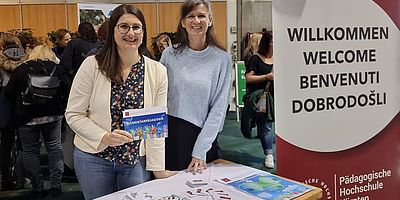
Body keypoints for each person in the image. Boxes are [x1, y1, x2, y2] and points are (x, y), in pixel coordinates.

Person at [65, 4, 176, 199]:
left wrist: (158, 168)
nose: (130, 33)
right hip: (93, 158)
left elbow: (155, 126)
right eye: (123, 26)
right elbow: (73, 114)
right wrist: (104, 137)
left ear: (143, 31)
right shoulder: (92, 65)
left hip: (135, 160)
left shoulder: (157, 71)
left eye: (136, 27)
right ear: (113, 31)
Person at [160, 0, 232, 173]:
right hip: (169, 133)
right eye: (190, 16)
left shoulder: (222, 59)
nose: (196, 21)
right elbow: (156, 95)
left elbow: (219, 109)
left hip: (201, 136)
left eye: (201, 16)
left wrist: (200, 150)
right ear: (183, 22)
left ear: (210, 20)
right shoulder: (169, 54)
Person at [5, 44, 69, 199]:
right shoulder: (57, 68)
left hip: (27, 117)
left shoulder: (22, 69)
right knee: (54, 148)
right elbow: (68, 88)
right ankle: (56, 185)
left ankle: (37, 187)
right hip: (54, 115)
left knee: (30, 151)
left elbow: (8, 92)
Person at [0, 33, 28, 191]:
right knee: (24, 146)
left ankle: (5, 179)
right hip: (23, 106)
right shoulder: (26, 59)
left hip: (4, 108)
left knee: (5, 146)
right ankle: (21, 179)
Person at [244, 31, 275, 168]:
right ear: (267, 43)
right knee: (265, 127)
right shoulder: (255, 59)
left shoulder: (281, 58)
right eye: (273, 42)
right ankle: (269, 154)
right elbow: (248, 78)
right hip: (264, 98)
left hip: (278, 97)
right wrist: (266, 77)